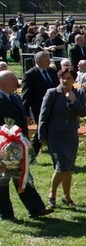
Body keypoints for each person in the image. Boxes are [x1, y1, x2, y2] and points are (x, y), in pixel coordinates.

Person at [0, 70, 53, 221]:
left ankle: (36, 209)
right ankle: (6, 213)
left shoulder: (15, 97)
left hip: (18, 146)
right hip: (3, 147)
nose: (16, 81)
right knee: (3, 182)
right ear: (1, 83)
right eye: (12, 79)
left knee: (23, 177)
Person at [39, 67, 86, 208]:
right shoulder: (52, 93)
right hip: (55, 135)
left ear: (74, 80)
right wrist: (42, 136)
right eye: (63, 78)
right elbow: (43, 115)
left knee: (68, 167)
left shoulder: (78, 93)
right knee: (61, 166)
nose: (65, 80)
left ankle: (66, 196)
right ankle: (51, 194)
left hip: (71, 135)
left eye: (69, 78)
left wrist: (74, 100)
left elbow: (83, 112)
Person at [21, 50, 60, 153]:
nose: (49, 61)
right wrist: (26, 114)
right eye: (46, 59)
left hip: (54, 106)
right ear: (38, 61)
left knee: (49, 129)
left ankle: (33, 154)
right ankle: (31, 154)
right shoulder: (30, 74)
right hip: (38, 107)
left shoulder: (52, 72)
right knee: (42, 129)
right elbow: (26, 96)